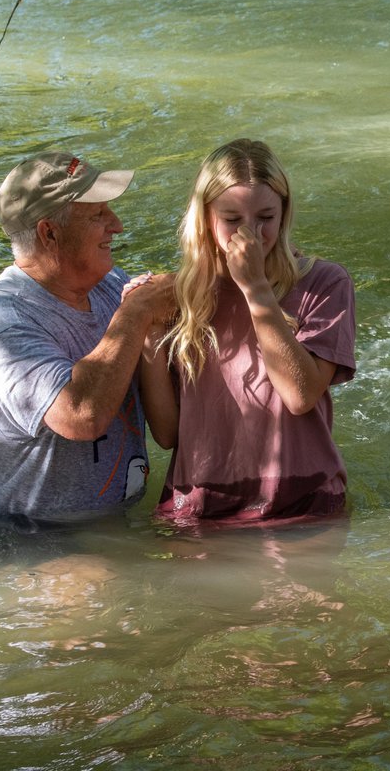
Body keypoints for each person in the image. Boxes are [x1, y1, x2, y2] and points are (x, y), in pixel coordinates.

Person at [0, 152, 177, 529]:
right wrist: (137, 313)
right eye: (97, 216)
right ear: (50, 233)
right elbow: (81, 415)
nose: (118, 225)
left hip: (97, 530)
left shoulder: (111, 287)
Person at [138, 138, 356, 527]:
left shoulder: (324, 283)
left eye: (265, 218)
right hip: (201, 505)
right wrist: (149, 329)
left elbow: (301, 395)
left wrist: (255, 288)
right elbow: (169, 434)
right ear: (205, 217)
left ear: (285, 213)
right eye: (232, 219)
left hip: (300, 502)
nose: (251, 234)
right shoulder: (180, 294)